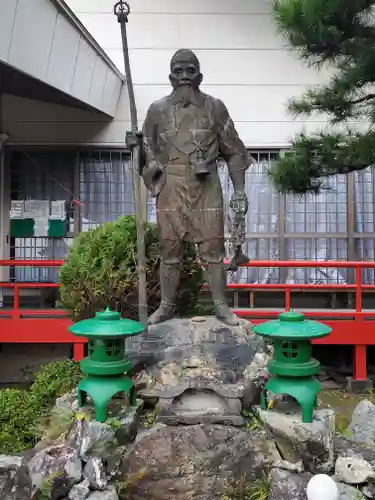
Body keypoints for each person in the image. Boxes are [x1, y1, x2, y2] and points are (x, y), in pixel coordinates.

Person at [142, 49, 251, 326]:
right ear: (170, 77)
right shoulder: (157, 110)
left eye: (190, 71)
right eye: (178, 71)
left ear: (200, 75)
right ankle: (166, 305)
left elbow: (235, 151)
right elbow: (146, 149)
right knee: (169, 249)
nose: (185, 77)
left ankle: (220, 305)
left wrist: (239, 192)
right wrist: (133, 144)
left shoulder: (215, 107)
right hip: (171, 186)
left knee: (213, 249)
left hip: (207, 185)